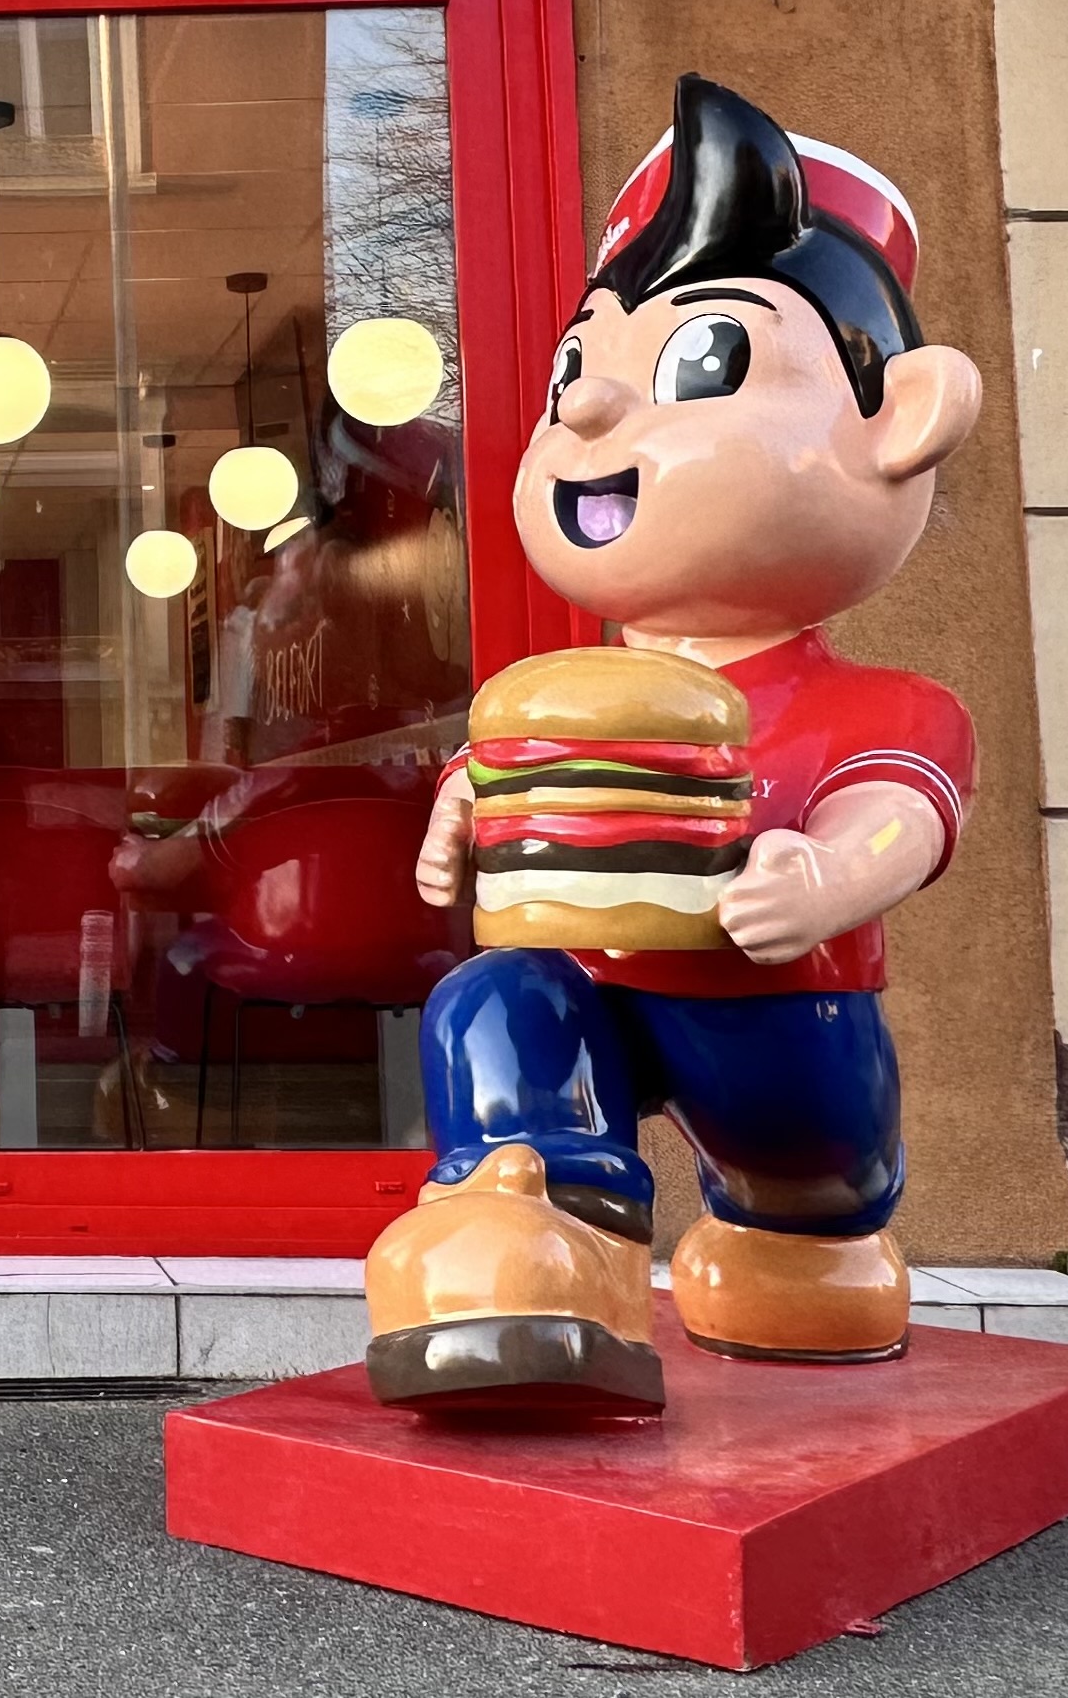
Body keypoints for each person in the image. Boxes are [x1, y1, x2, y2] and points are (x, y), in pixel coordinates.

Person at [361, 75, 984, 1412]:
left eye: (701, 365)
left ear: (906, 418)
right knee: (490, 1001)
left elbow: (901, 815)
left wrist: (828, 874)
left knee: (801, 1193)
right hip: (590, 1001)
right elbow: (507, 779)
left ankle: (796, 1239)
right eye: (574, 374)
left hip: (777, 1020)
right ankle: (535, 1236)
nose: (587, 415)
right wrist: (461, 810)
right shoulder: (558, 695)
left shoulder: (885, 708)